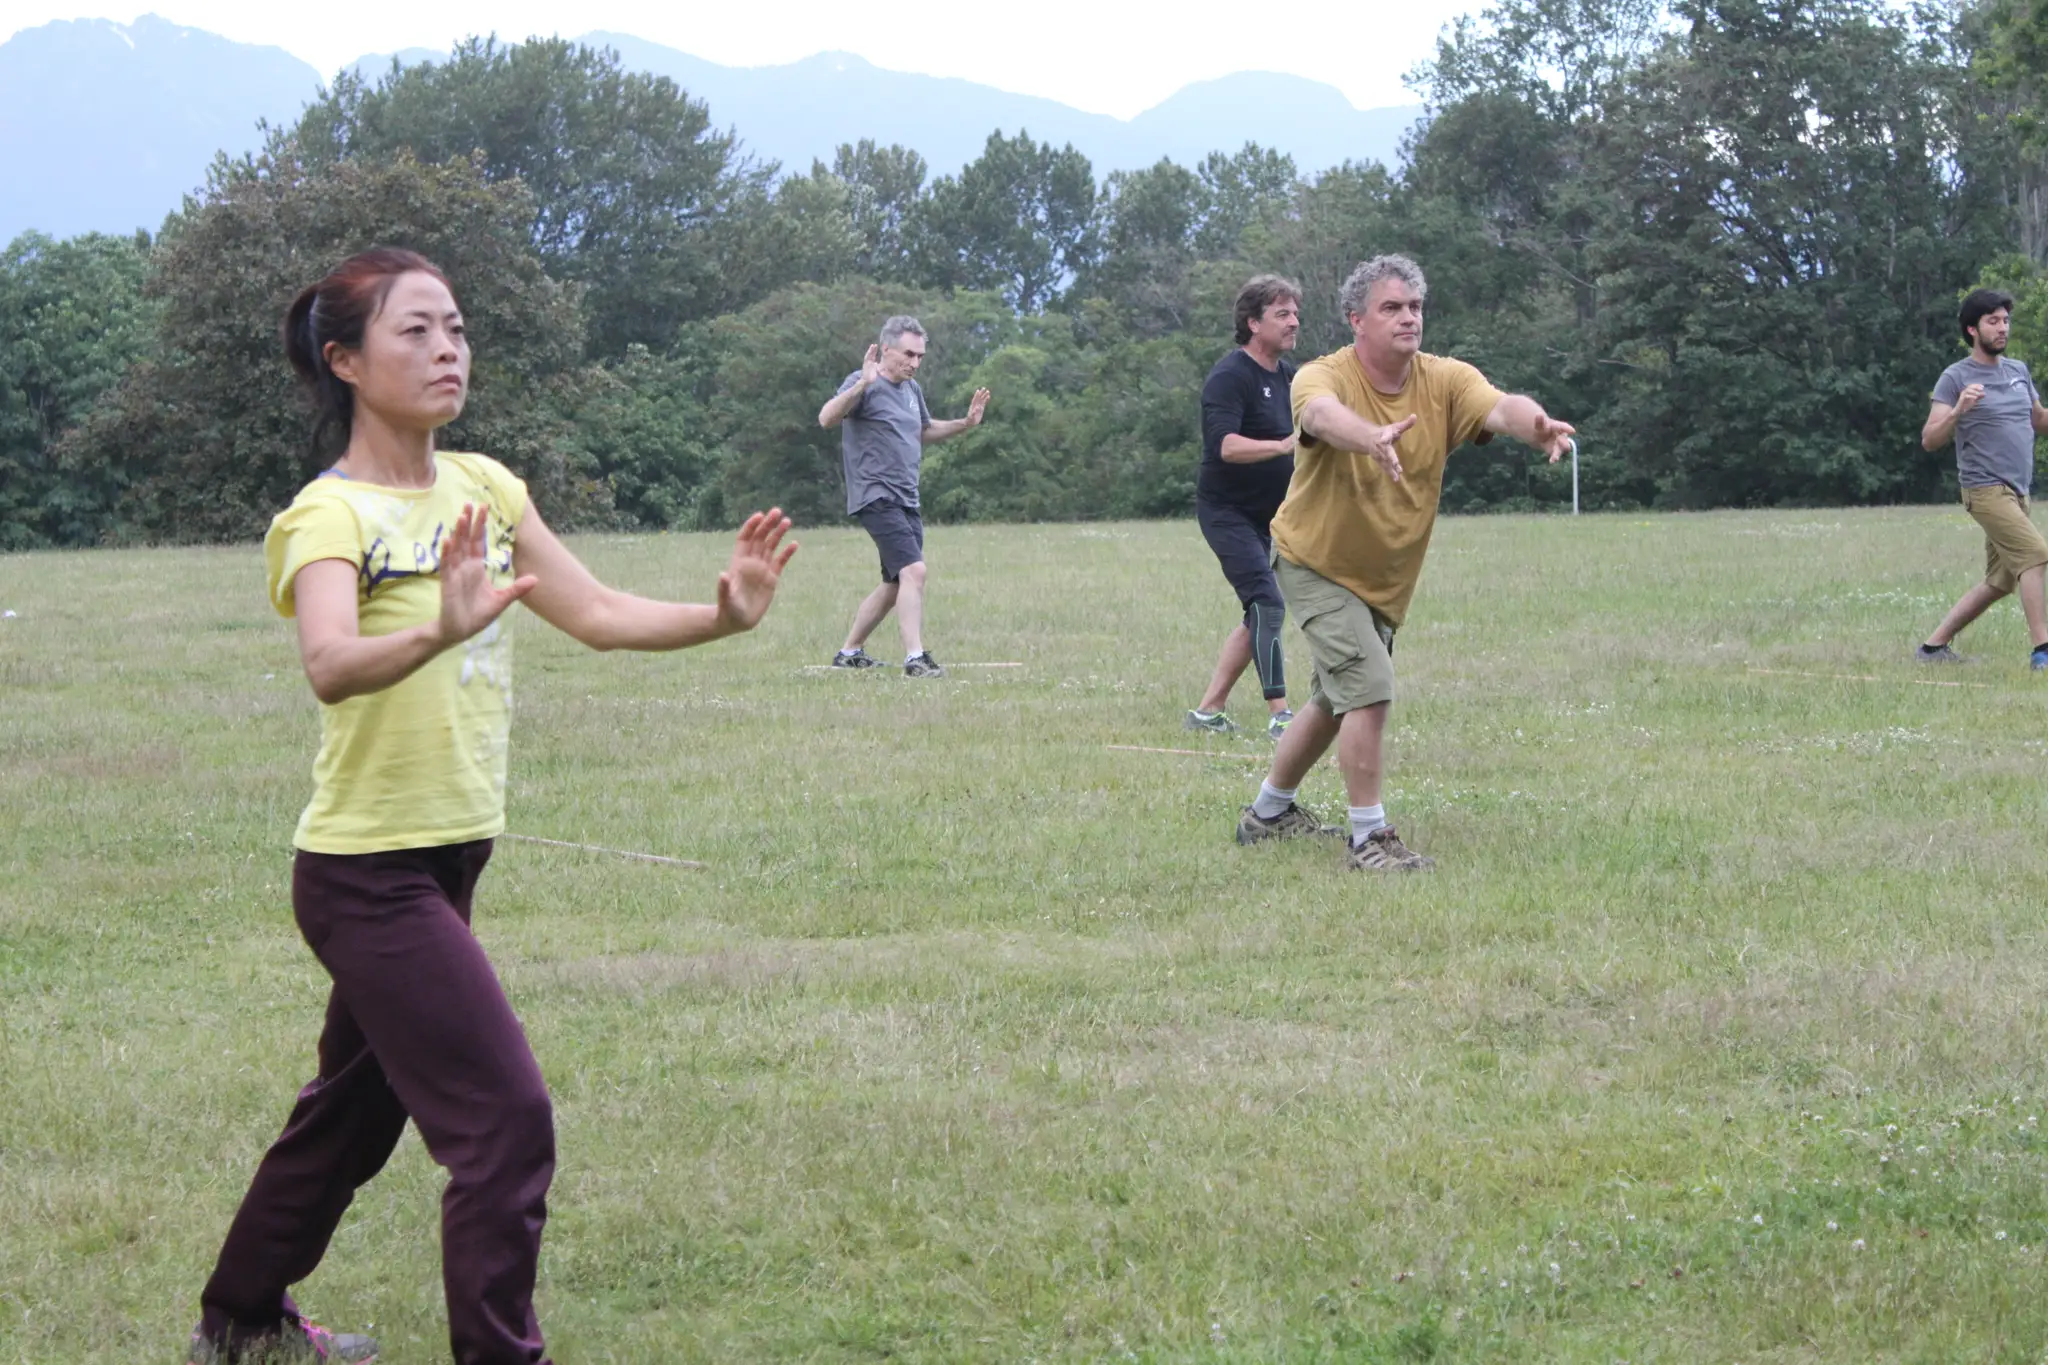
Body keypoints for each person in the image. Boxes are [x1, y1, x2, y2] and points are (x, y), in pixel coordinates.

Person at [188, 247, 797, 1365]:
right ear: (345, 360)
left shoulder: (485, 487)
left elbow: (601, 612)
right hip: (364, 873)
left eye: (457, 329)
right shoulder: (330, 516)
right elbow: (329, 661)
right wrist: (435, 629)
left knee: (355, 1113)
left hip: (450, 857)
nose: (446, 350)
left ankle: (238, 1323)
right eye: (414, 331)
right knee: (504, 1124)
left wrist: (724, 616)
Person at [1234, 254, 1575, 872]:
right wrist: (1370, 436)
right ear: (1356, 318)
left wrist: (1538, 426)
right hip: (1314, 562)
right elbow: (1317, 416)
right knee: (1369, 690)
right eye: (1392, 307)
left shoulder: (1444, 380)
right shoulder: (1321, 374)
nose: (1408, 318)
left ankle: (1269, 814)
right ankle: (1369, 841)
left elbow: (1500, 408)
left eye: (1415, 307)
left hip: (1381, 580)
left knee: (1337, 701)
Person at [818, 315, 990, 678]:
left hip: (906, 497)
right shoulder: (864, 381)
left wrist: (965, 423)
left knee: (896, 583)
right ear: (886, 350)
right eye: (909, 354)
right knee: (914, 571)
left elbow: (923, 431)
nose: (914, 363)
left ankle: (849, 653)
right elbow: (826, 418)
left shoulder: (912, 391)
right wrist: (861, 386)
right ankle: (915, 659)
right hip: (875, 494)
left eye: (920, 357)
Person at [1184, 274, 1303, 741]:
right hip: (1226, 511)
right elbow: (1226, 447)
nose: (1294, 322)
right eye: (1282, 314)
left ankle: (1208, 711)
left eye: (1295, 313)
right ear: (1253, 322)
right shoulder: (1230, 377)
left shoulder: (1291, 377)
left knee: (1258, 612)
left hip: (1270, 516)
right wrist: (1282, 446)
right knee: (1268, 604)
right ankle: (1281, 714)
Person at [1915, 288, 2048, 668]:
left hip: (2018, 492)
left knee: (2000, 581)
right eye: (1993, 321)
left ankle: (1932, 649)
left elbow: (2038, 420)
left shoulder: (2018, 371)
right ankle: (2043, 651)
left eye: (2005, 320)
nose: (2002, 327)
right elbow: (1930, 439)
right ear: (1972, 329)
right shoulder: (1955, 377)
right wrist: (1959, 410)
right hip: (1985, 490)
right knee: (2037, 555)